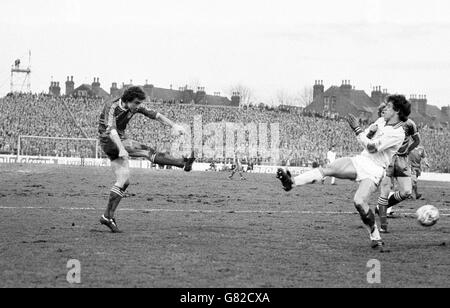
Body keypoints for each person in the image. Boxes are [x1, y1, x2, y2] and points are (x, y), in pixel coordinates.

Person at [276, 95, 410, 250]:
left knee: (359, 202)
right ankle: (291, 182)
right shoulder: (380, 121)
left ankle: (375, 236)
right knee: (328, 168)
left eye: (388, 106)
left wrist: (357, 129)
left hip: (375, 170)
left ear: (397, 111)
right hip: (360, 160)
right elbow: (365, 138)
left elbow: (372, 147)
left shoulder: (398, 133)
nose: (384, 108)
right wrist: (368, 132)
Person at [98, 86, 195, 233]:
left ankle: (107, 216)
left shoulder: (134, 106)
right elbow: (111, 131)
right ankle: (182, 162)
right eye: (136, 103)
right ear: (127, 100)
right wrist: (122, 148)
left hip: (119, 139)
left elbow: (155, 115)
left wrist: (174, 125)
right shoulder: (112, 107)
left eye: (139, 103)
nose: (138, 106)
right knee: (147, 152)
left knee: (124, 180)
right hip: (110, 140)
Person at [376, 108, 420, 233]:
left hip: (402, 161)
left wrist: (408, 150)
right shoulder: (383, 123)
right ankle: (383, 226)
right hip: (387, 159)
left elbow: (417, 141)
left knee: (406, 192)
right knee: (385, 191)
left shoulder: (410, 124)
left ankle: (381, 207)